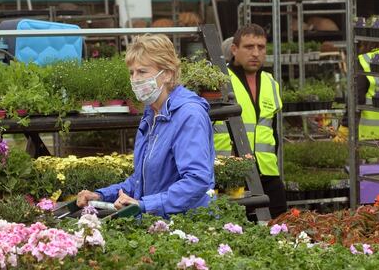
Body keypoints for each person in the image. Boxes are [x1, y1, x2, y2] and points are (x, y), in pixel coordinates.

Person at [77, 34, 215, 217]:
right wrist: (100, 195)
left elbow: (196, 181)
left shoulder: (189, 115)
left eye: (142, 72)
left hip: (187, 227)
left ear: (167, 74)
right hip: (158, 224)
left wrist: (144, 205)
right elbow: (142, 180)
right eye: (131, 73)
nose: (135, 79)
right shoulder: (152, 114)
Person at [213, 24, 287, 218]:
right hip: (229, 174)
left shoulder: (271, 82)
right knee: (234, 230)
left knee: (279, 227)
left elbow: (273, 131)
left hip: (267, 172)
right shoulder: (219, 81)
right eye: (249, 47)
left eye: (261, 47)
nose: (255, 53)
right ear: (234, 49)